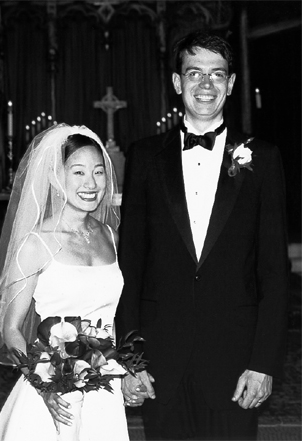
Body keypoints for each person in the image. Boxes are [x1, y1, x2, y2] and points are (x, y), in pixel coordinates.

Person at [116, 31, 289, 440]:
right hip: (160, 364)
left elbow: (274, 271)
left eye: (217, 75)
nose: (205, 85)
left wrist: (263, 363)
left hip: (235, 366)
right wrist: (131, 360)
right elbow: (131, 265)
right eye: (194, 73)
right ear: (178, 83)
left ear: (230, 84)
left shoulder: (261, 158)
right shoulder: (144, 157)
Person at [0, 124, 132, 441]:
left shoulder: (110, 235)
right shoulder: (36, 243)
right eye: (78, 172)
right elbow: (10, 327)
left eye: (98, 172)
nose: (91, 183)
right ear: (56, 177)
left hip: (105, 384)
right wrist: (43, 385)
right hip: (52, 387)